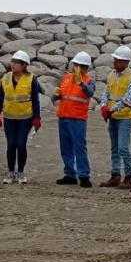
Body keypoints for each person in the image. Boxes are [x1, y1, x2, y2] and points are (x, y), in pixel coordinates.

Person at [0, 50, 42, 184]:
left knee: (21, 144)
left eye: (16, 63)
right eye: (12, 62)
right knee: (11, 145)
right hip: (9, 118)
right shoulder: (6, 78)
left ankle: (20, 172)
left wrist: (37, 118)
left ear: (24, 65)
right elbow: (1, 98)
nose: (13, 65)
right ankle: (10, 172)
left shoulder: (32, 79)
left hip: (25, 119)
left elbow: (35, 100)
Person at [98, 46, 131, 190]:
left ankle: (129, 177)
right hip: (113, 117)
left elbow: (128, 100)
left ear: (126, 62)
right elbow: (106, 92)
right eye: (115, 59)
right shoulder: (111, 75)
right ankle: (115, 176)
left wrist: (110, 110)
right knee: (114, 148)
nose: (115, 62)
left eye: (118, 60)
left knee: (123, 148)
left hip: (125, 117)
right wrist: (104, 106)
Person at [53, 51, 96, 188]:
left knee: (79, 147)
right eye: (76, 65)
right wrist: (56, 96)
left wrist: (81, 83)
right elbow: (62, 92)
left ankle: (84, 176)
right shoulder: (66, 78)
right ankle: (70, 174)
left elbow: (90, 92)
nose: (76, 67)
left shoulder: (88, 80)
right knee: (66, 147)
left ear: (85, 68)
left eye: (79, 66)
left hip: (78, 119)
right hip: (64, 116)